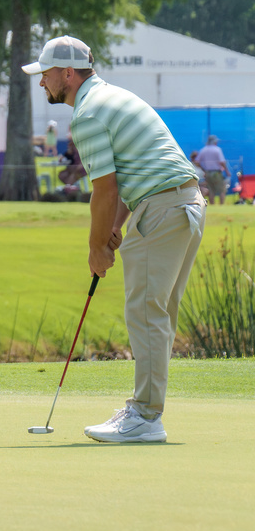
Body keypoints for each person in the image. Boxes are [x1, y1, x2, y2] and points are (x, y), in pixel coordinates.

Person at [23, 34, 205, 444]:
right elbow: (127, 177)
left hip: (162, 210)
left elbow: (104, 190)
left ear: (68, 73)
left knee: (145, 313)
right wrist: (114, 231)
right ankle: (146, 410)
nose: (42, 83)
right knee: (156, 314)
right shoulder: (114, 96)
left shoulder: (87, 114)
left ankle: (144, 416)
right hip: (186, 204)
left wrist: (95, 250)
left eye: (46, 75)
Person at [195, 135, 228, 205]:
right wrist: (227, 171)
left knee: (211, 190)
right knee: (221, 189)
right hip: (217, 172)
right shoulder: (217, 149)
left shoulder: (203, 150)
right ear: (214, 142)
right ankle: (221, 205)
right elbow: (222, 162)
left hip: (207, 173)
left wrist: (203, 168)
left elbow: (197, 162)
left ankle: (212, 205)